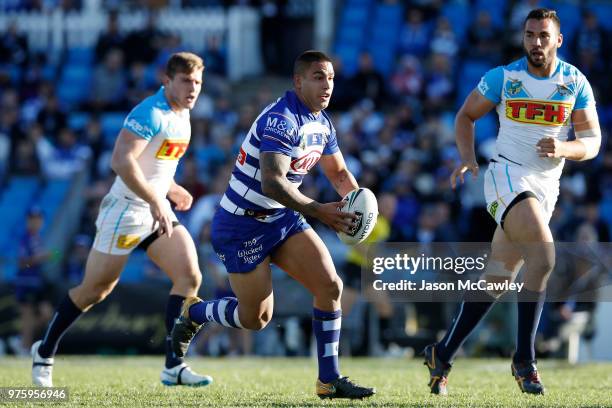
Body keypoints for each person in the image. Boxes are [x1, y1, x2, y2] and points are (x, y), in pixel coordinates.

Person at [171, 50, 375, 400]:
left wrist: (355, 207)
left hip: (281, 219)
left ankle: (329, 380)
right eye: (317, 77)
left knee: (330, 286)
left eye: (330, 77)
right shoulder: (282, 119)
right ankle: (196, 311)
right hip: (241, 226)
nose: (327, 85)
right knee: (256, 319)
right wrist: (322, 212)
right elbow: (273, 183)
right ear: (298, 81)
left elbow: (339, 174)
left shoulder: (322, 123)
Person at [423, 8, 601, 396]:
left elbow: (592, 143)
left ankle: (442, 353)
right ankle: (525, 360)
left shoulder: (575, 82)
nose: (535, 43)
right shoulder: (503, 78)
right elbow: (465, 116)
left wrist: (564, 147)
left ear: (558, 40)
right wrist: (468, 159)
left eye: (543, 35)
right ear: (523, 38)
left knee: (498, 278)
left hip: (546, 186)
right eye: (529, 35)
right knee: (545, 257)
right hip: (506, 175)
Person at [31, 52, 212, 388]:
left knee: (189, 276)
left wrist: (171, 189)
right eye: (186, 81)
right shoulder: (150, 112)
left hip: (156, 208)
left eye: (197, 82)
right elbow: (121, 161)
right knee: (95, 290)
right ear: (167, 80)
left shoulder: (184, 113)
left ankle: (174, 364)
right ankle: (44, 351)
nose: (192, 88)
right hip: (126, 211)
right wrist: (156, 197)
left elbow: (156, 163)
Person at [13, 207, 53, 355]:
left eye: (38, 219)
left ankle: (20, 340)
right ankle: (23, 346)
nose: (35, 222)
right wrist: (41, 257)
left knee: (45, 313)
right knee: (28, 315)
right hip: (26, 282)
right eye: (32, 219)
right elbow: (22, 263)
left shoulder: (37, 238)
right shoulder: (26, 238)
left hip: (37, 282)